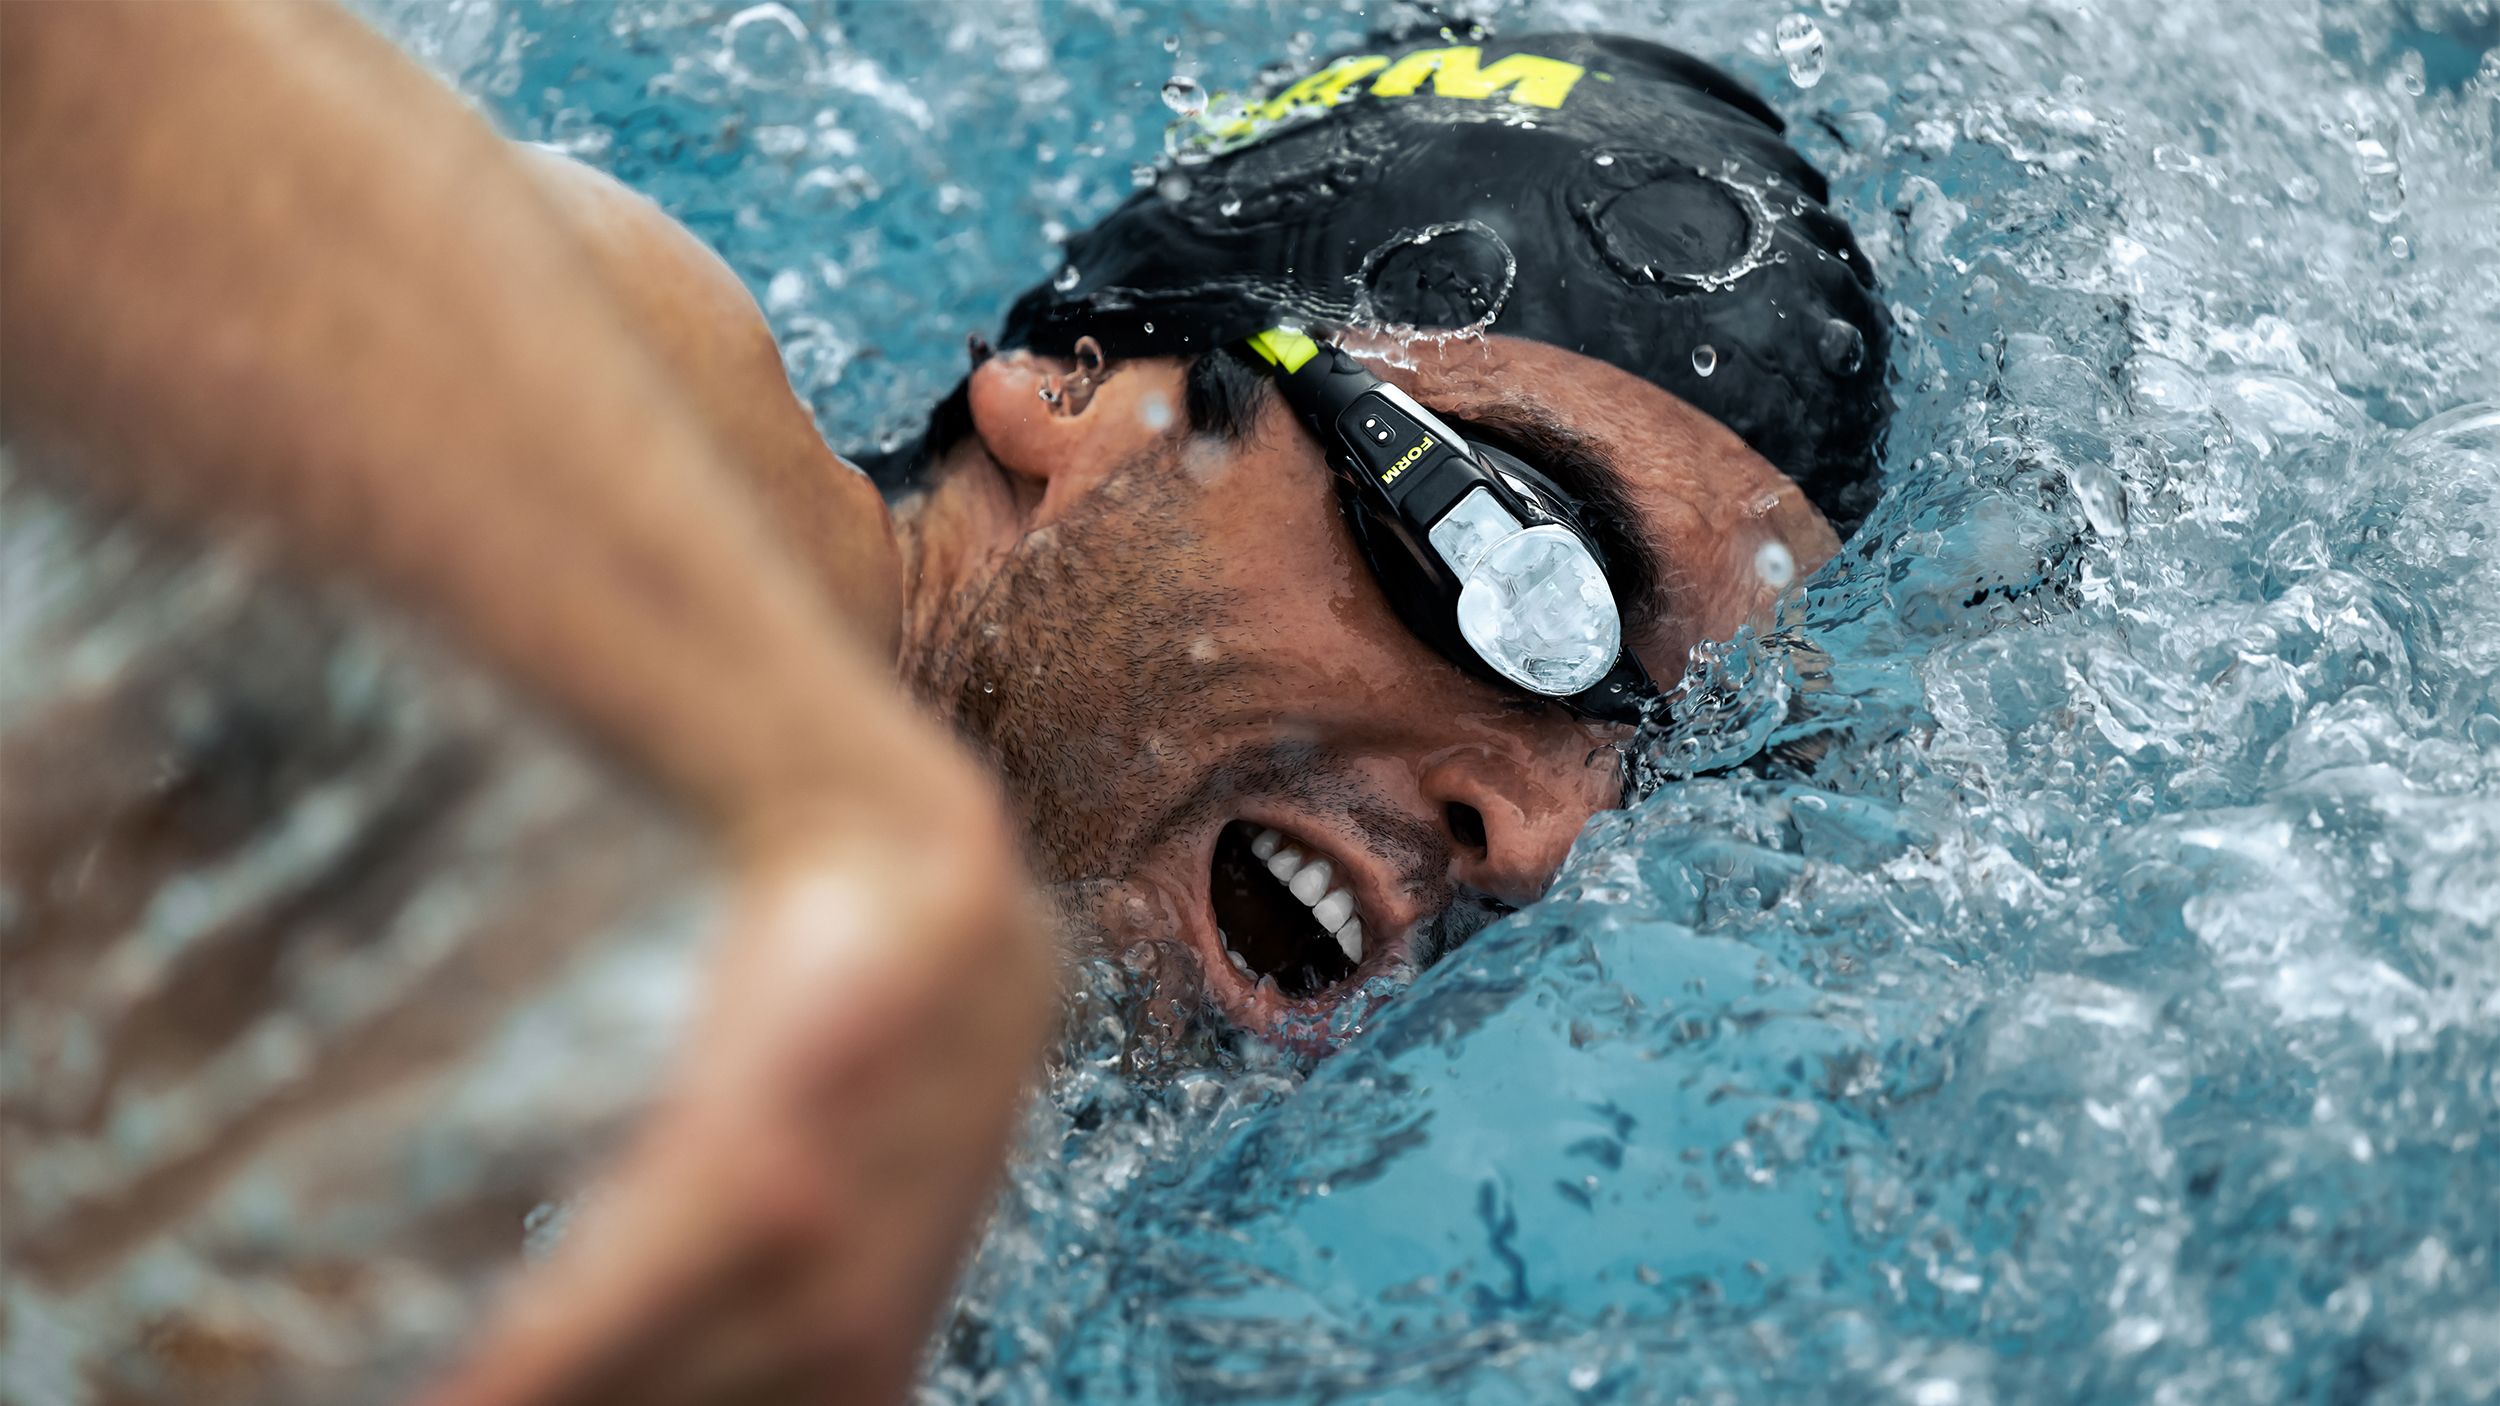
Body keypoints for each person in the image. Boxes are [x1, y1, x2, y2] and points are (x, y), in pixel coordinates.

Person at [0, 5, 1888, 1403]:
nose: (1541, 838)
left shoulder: (968, 1241)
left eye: (1642, 751)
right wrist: (841, 809)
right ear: (1075, 392)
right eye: (1515, 566)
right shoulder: (665, 452)